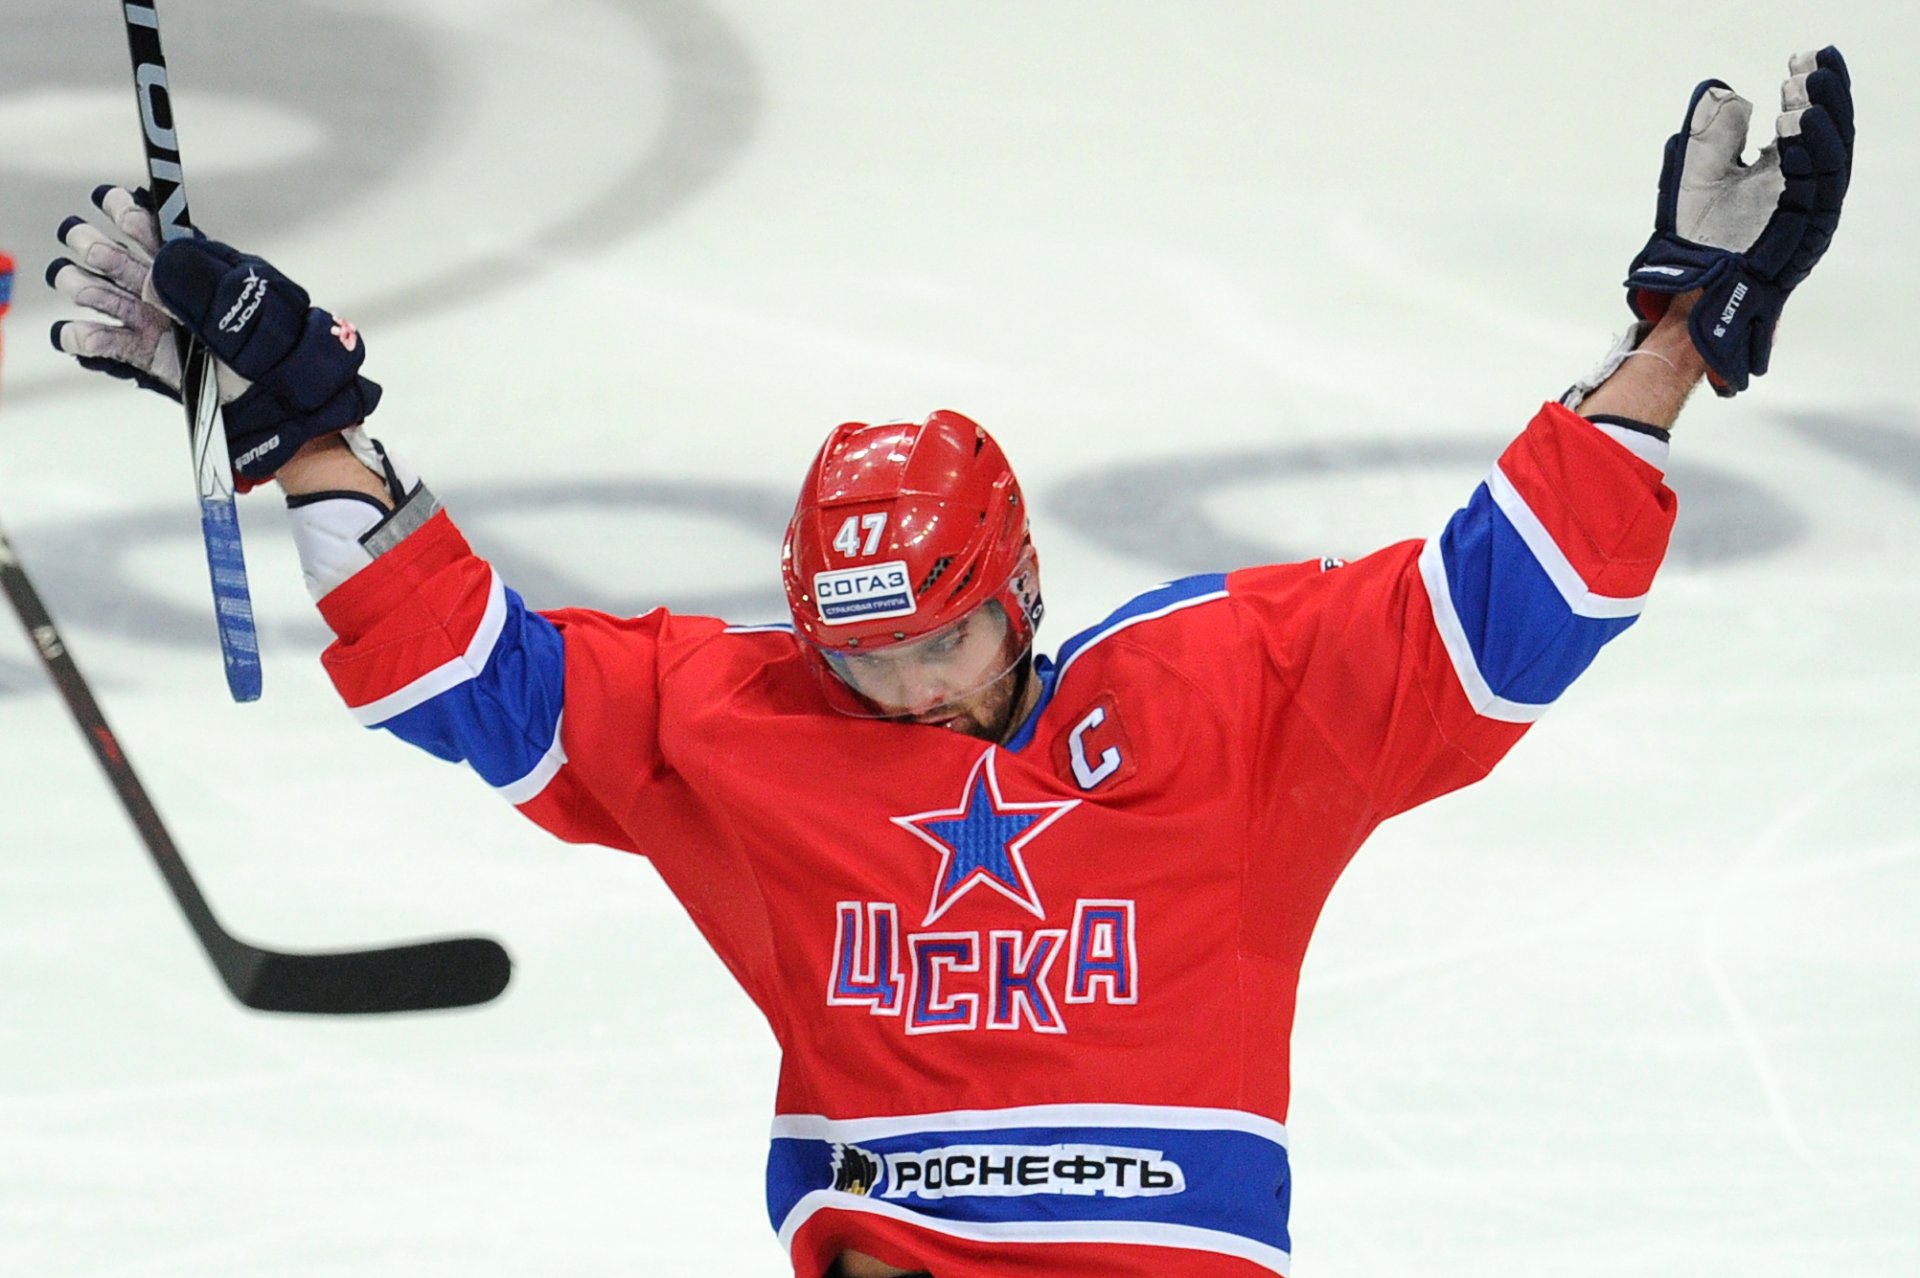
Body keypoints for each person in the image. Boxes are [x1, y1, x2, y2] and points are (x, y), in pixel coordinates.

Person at [46, 47, 1852, 1278]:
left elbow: (1495, 614)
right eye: (869, 652)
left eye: (948, 635)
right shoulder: (740, 721)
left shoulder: (1222, 699)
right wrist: (304, 418)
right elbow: (471, 676)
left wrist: (1679, 343)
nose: (908, 686)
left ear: (1025, 586)